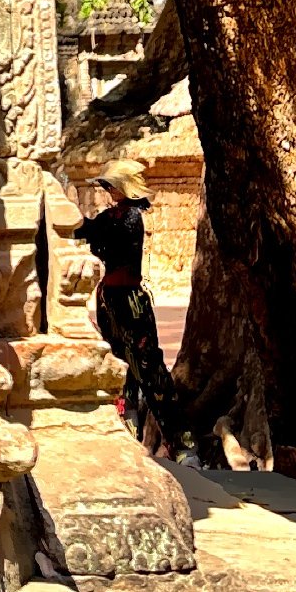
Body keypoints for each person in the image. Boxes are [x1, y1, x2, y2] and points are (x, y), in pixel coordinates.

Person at [68, 157, 187, 455]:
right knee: (119, 363)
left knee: (148, 368)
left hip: (131, 302)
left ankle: (178, 441)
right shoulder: (111, 217)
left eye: (111, 186)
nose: (108, 191)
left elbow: (102, 239)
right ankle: (128, 430)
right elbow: (87, 231)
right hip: (109, 300)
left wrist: (89, 228)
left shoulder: (130, 218)